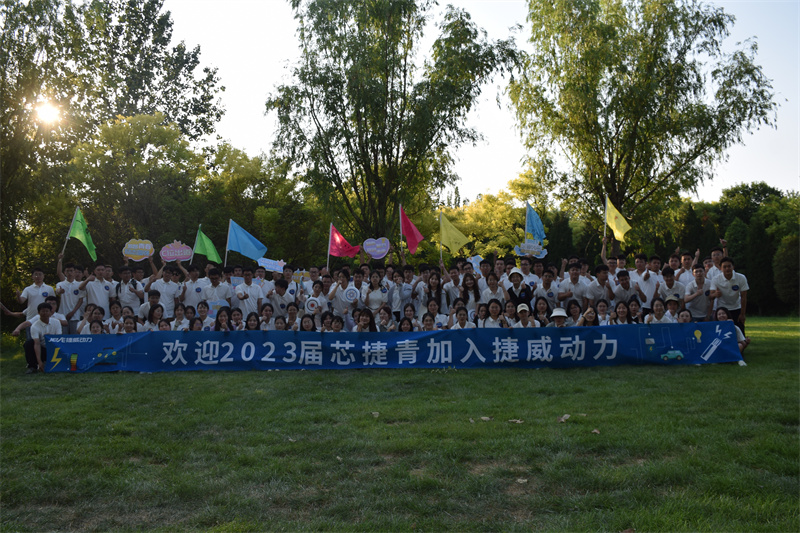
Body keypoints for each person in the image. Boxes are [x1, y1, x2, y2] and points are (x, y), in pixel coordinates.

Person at [710, 257, 749, 334]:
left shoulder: (741, 278)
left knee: (739, 331)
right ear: (721, 268)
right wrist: (715, 294)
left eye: (729, 266)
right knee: (722, 332)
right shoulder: (716, 279)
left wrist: (742, 314)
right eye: (724, 267)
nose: (727, 269)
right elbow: (711, 296)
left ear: (733, 267)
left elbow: (744, 297)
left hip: (736, 307)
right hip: (722, 309)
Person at [25, 303, 62, 373]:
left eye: (47, 311)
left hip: (54, 347)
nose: (45, 313)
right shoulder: (35, 326)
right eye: (42, 311)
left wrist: (50, 337)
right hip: (42, 348)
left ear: (51, 313)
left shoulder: (56, 322)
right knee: (29, 343)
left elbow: (59, 338)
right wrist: (39, 362)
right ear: (38, 313)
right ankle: (32, 366)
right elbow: (37, 344)